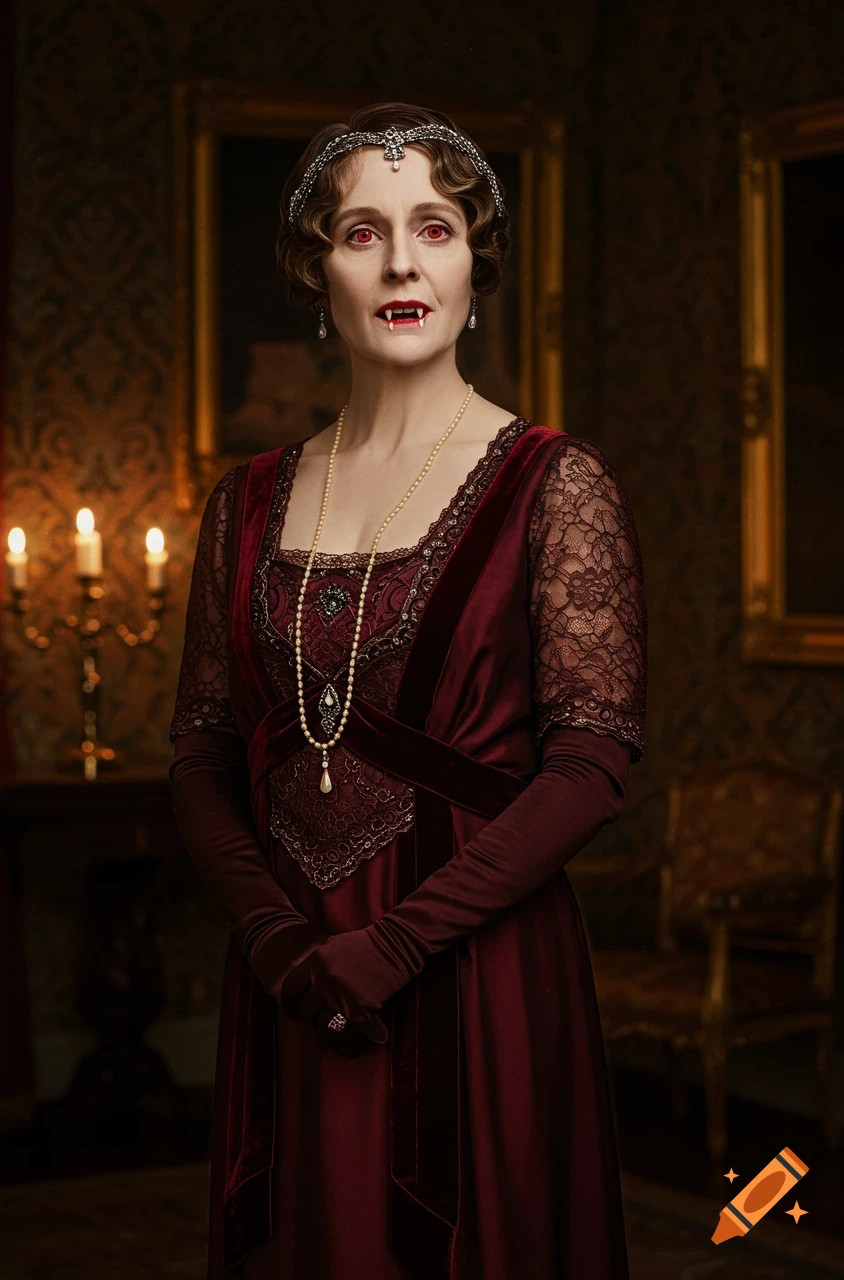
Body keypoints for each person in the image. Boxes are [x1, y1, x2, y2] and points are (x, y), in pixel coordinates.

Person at [169, 101, 647, 1280]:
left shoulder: (556, 481)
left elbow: (590, 764)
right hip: (290, 973)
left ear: (470, 265)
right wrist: (278, 936)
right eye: (360, 232)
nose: (398, 261)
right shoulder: (244, 501)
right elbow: (200, 749)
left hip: (471, 966)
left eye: (431, 227)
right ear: (315, 271)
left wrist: (397, 941)